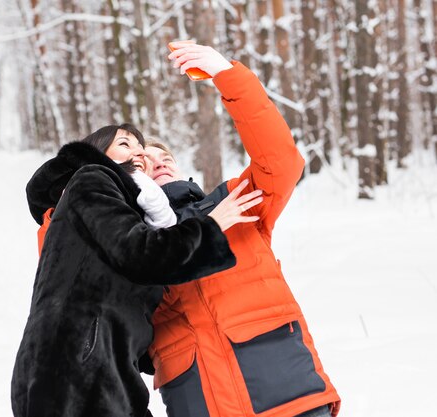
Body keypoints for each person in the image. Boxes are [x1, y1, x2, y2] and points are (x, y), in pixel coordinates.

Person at [143, 42, 342, 417]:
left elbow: (281, 161)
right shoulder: (128, 246)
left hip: (289, 396)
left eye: (164, 156)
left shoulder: (235, 201)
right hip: (200, 400)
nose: (159, 162)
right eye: (144, 161)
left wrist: (229, 77)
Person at [11, 123, 264, 417]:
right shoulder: (92, 178)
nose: (139, 153)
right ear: (98, 152)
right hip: (73, 366)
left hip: (106, 367)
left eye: (141, 147)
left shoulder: (129, 209)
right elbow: (140, 253)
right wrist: (211, 226)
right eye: (125, 144)